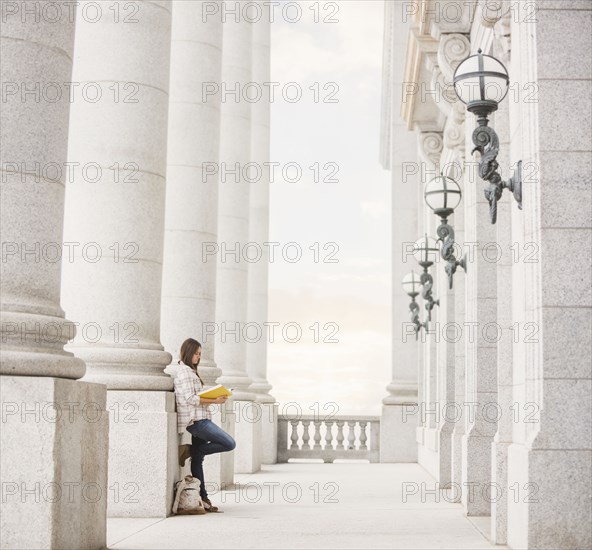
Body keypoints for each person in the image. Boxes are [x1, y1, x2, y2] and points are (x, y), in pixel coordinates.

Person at [173, 338, 236, 512]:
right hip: (196, 422)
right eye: (196, 353)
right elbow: (189, 399)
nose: (198, 357)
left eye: (200, 354)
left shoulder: (191, 372)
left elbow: (196, 398)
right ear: (188, 352)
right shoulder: (184, 372)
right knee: (229, 443)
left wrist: (216, 398)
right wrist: (214, 400)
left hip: (201, 417)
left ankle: (203, 498)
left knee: (198, 461)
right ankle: (192, 450)